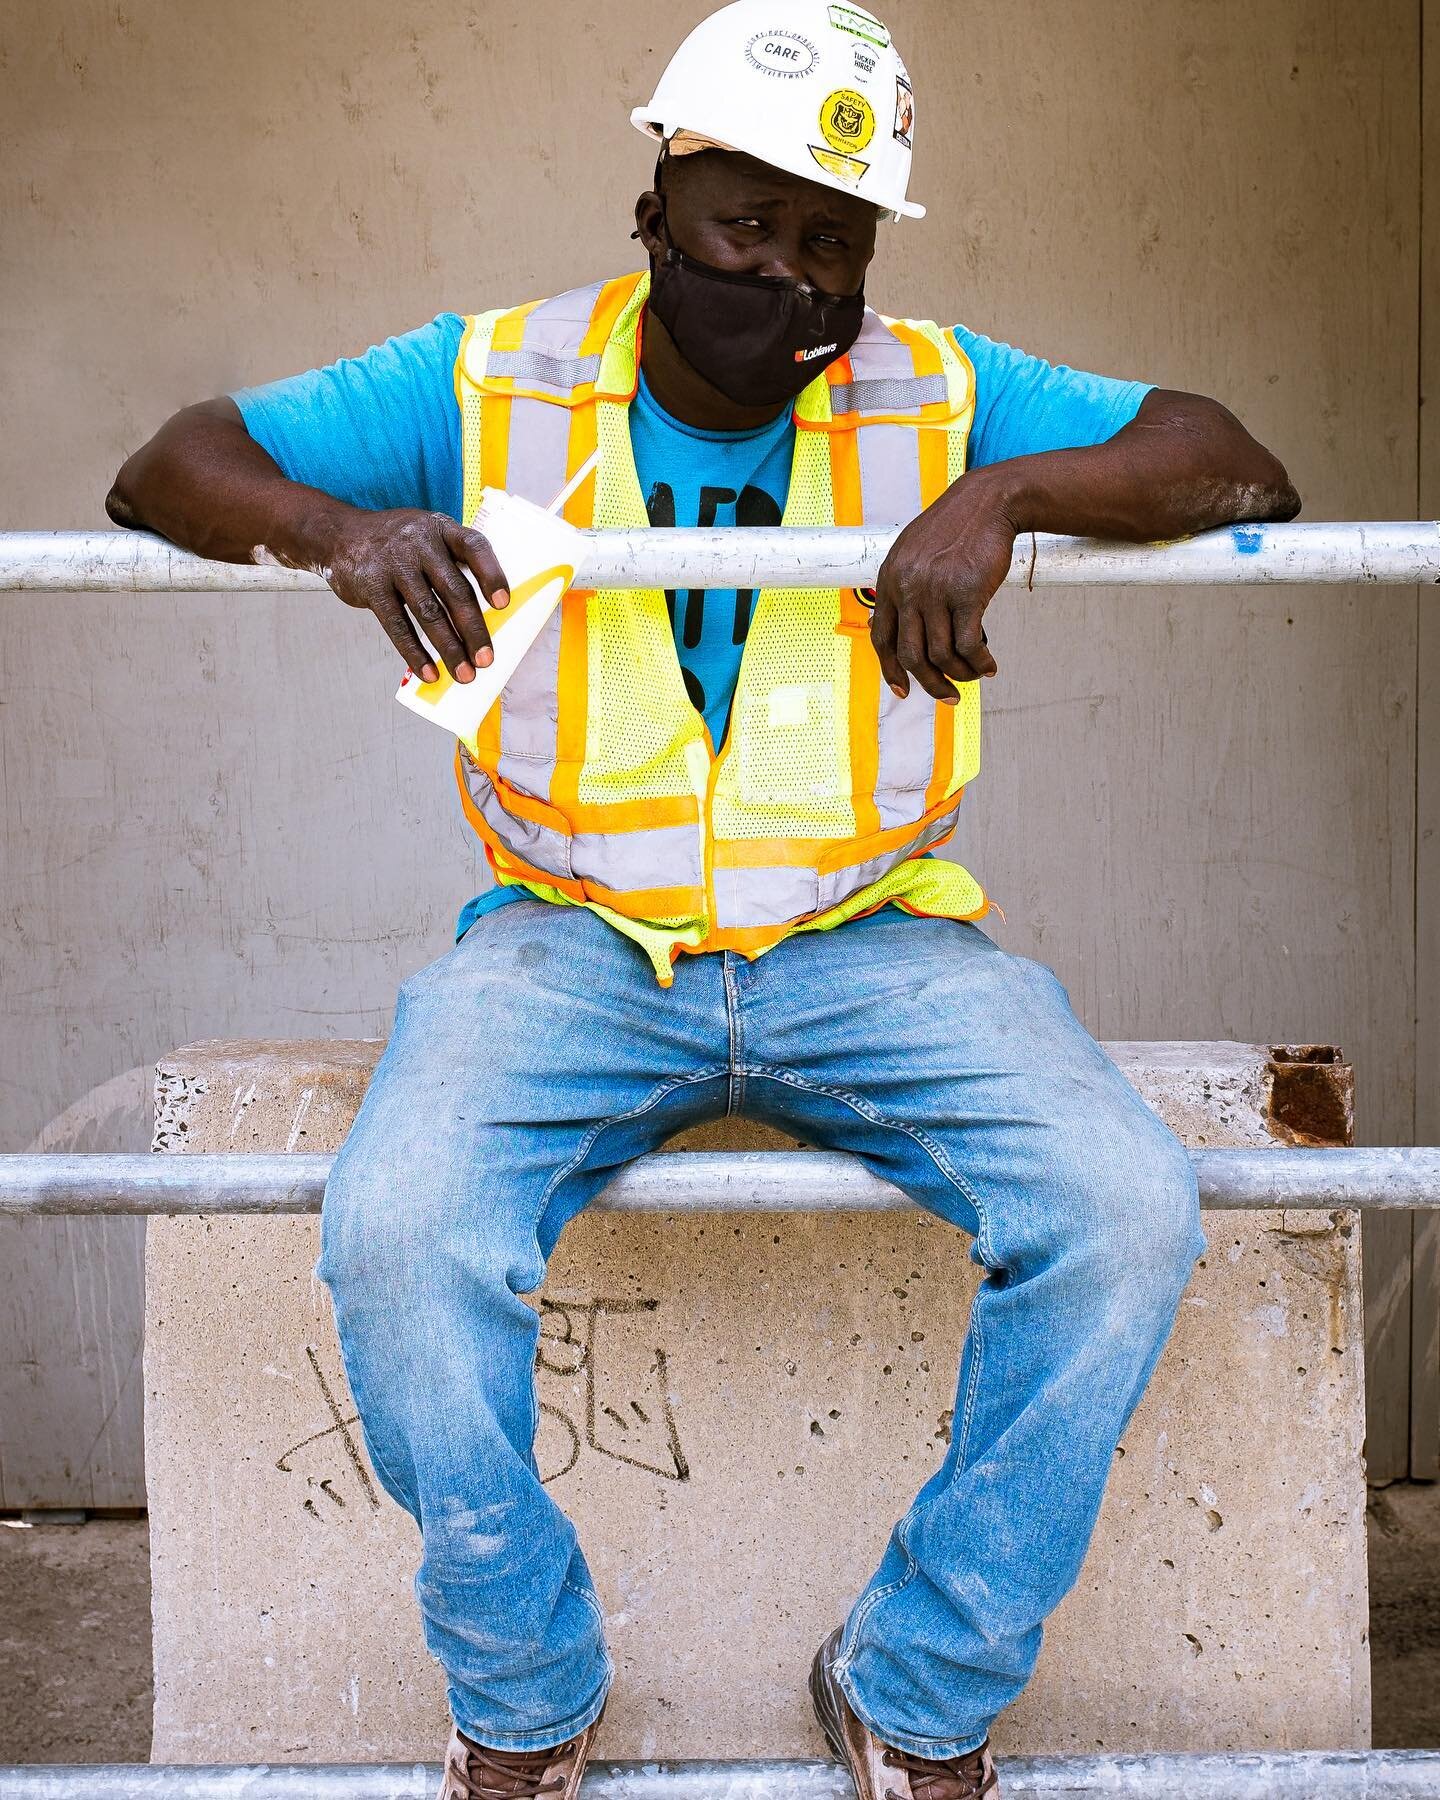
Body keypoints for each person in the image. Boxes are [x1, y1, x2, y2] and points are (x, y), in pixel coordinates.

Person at [107, 3, 1300, 1795]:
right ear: (658, 202)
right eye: (748, 225)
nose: (794, 280)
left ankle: (917, 1680)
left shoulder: (940, 391)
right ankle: (524, 1682)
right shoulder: (487, 376)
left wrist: (1011, 491)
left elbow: (1238, 462)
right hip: (568, 938)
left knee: (1125, 1207)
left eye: (837, 241)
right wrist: (346, 535)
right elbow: (166, 468)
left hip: (871, 939)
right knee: (399, 1235)